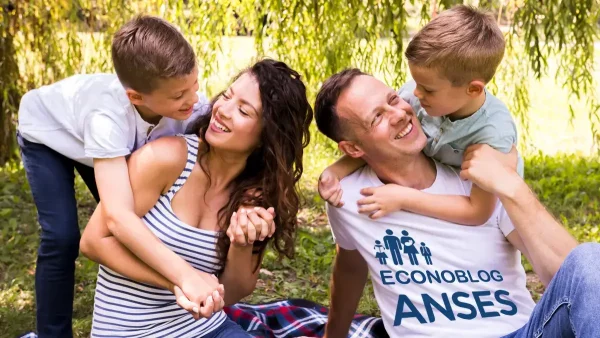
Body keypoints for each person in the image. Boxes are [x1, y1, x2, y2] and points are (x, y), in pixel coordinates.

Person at [314, 69, 600, 337]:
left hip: (520, 332)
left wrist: (513, 187)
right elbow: (350, 266)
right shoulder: (348, 198)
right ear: (352, 148)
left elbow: (574, 280)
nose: (399, 114)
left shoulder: (479, 180)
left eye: (393, 99)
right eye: (377, 117)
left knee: (588, 258)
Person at [79, 59, 313, 337]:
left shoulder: (255, 195)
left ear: (267, 136)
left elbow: (231, 292)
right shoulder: (166, 159)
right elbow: (94, 241)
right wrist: (180, 280)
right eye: (227, 96)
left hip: (208, 330)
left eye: (243, 110)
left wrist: (241, 243)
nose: (222, 110)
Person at [17, 15, 205, 337]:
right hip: (48, 138)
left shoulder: (188, 103)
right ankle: (52, 333)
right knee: (63, 238)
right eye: (178, 96)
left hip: (100, 142)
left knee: (139, 223)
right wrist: (183, 274)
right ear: (136, 97)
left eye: (194, 86)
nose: (192, 100)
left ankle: (142, 312)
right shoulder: (107, 118)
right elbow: (118, 216)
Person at [318, 5, 521, 226]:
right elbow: (372, 141)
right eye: (416, 83)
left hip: (497, 218)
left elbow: (477, 211)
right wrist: (336, 170)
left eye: (428, 89)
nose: (415, 93)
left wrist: (403, 198)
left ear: (473, 89)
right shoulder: (417, 96)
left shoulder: (493, 133)